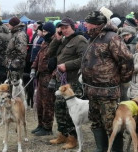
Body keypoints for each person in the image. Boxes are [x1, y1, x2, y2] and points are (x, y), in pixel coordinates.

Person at [81, 11, 134, 152]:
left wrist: (122, 79)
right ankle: (101, 148)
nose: (85, 25)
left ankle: (116, 150)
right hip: (92, 91)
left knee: (111, 124)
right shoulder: (92, 38)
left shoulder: (112, 38)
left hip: (107, 92)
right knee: (96, 122)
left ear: (96, 24)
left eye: (88, 22)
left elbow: (127, 59)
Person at [47, 17, 88, 149]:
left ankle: (72, 138)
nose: (64, 30)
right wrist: (56, 40)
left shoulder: (80, 40)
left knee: (70, 112)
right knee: (59, 109)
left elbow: (84, 59)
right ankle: (62, 134)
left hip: (73, 81)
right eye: (62, 28)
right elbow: (50, 53)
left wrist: (68, 65)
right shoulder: (63, 40)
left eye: (66, 27)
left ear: (73, 27)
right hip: (62, 81)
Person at [30, 22, 56, 136]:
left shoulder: (55, 43)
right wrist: (33, 68)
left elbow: (57, 61)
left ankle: (47, 127)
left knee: (48, 103)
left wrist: (53, 77)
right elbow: (38, 57)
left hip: (49, 76)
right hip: (40, 76)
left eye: (45, 31)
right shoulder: (45, 42)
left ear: (50, 31)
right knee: (39, 102)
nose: (43, 33)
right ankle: (40, 125)